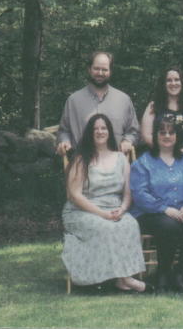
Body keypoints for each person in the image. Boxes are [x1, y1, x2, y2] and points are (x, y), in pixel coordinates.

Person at [62, 113, 147, 291]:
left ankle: (121, 279)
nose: (100, 132)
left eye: (103, 128)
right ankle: (126, 279)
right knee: (106, 227)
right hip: (83, 211)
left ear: (109, 132)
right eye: (95, 129)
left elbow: (128, 193)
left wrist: (122, 209)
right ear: (90, 133)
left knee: (130, 224)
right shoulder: (81, 159)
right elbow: (75, 195)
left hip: (115, 209)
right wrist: (102, 214)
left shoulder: (121, 158)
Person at [130, 117, 183, 293]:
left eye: (171, 132)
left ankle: (182, 274)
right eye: (162, 132)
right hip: (151, 212)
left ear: (177, 136)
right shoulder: (144, 162)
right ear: (155, 136)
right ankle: (162, 274)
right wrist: (164, 208)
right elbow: (139, 194)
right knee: (169, 225)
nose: (167, 136)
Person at [56, 51, 139, 157]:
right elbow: (64, 131)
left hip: (116, 163)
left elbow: (133, 131)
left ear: (110, 71)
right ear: (89, 69)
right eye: (96, 68)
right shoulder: (73, 101)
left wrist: (128, 140)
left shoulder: (124, 100)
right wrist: (64, 141)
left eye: (104, 69)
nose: (100, 73)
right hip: (81, 162)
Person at [140, 66, 183, 154]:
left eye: (177, 79)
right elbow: (146, 135)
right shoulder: (153, 105)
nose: (173, 83)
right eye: (169, 80)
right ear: (163, 83)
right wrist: (165, 152)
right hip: (159, 155)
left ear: (182, 82)